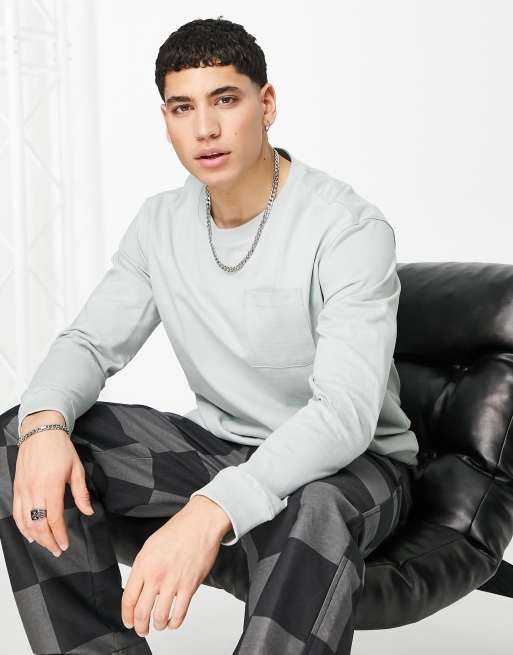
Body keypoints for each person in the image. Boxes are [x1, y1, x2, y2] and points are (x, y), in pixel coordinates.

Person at [0, 16, 419, 655]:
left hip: (355, 466)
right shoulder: (160, 224)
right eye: (183, 108)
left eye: (225, 100)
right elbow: (88, 342)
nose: (205, 129)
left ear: (266, 104)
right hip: (222, 448)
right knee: (23, 433)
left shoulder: (347, 229)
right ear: (166, 119)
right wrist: (44, 426)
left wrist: (209, 510)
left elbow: (344, 415)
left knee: (314, 507)